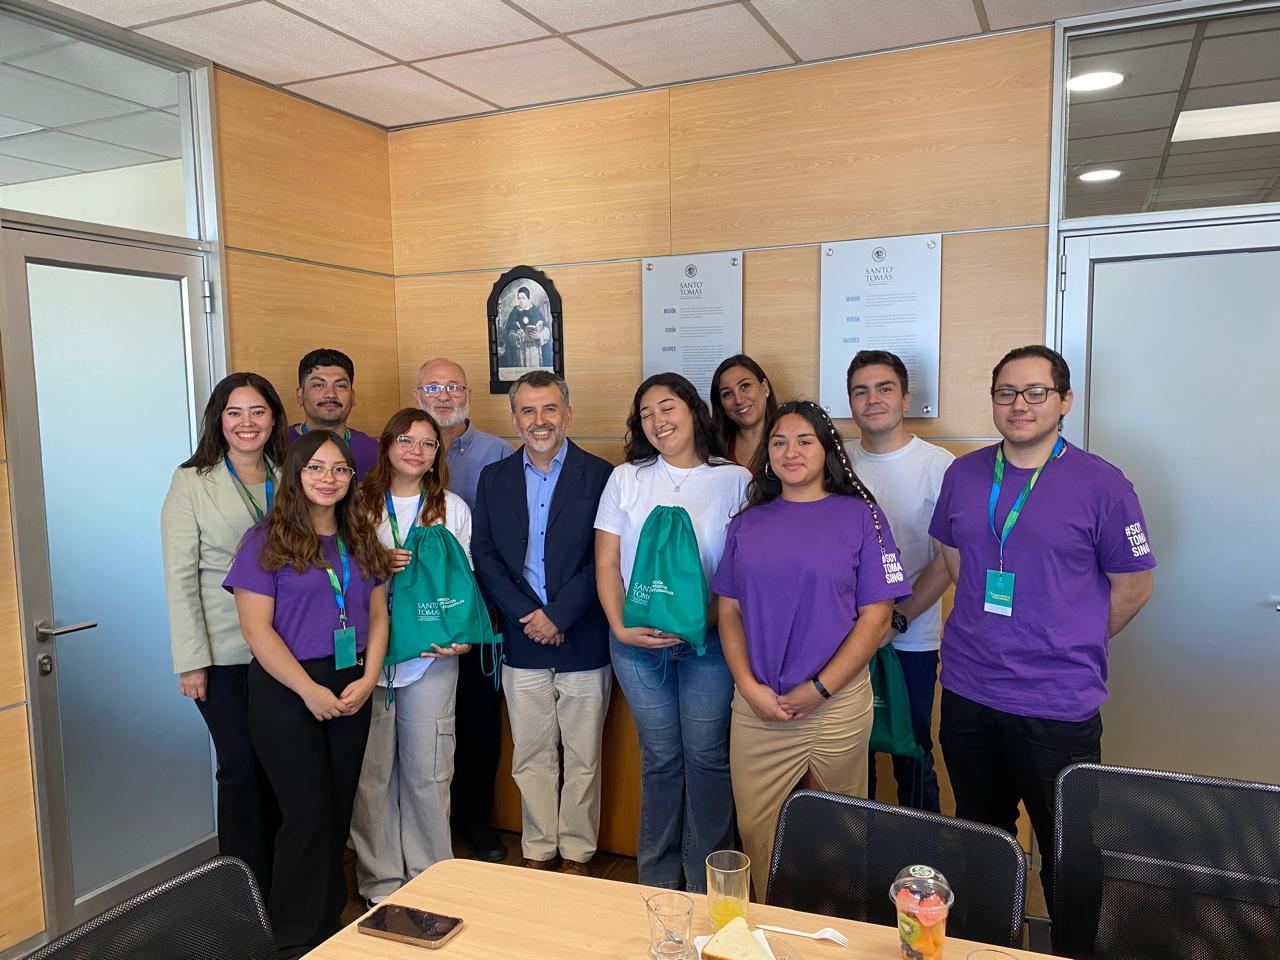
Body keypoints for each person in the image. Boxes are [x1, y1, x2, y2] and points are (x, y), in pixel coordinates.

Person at [929, 344, 1155, 909]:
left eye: (1036, 392)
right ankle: (986, 943)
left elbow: (1134, 586)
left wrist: (1069, 637)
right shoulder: (964, 473)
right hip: (968, 691)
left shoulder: (1103, 485)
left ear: (1064, 401)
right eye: (1006, 393)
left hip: (1057, 702)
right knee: (979, 838)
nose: (1020, 405)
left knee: (1070, 849)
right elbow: (956, 558)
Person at [714, 400, 908, 897]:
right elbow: (729, 611)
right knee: (759, 835)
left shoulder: (862, 517)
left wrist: (819, 689)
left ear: (827, 450)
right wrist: (748, 687)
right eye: (778, 442)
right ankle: (766, 936)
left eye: (804, 441)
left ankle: (837, 933)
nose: (790, 451)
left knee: (842, 834)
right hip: (759, 706)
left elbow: (877, 616)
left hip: (835, 706)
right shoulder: (747, 524)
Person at [224, 429, 392, 957]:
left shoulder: (362, 536)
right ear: (296, 474)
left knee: (338, 808)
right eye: (316, 468)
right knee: (304, 813)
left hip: (352, 680)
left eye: (340, 469)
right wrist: (309, 690)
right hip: (286, 687)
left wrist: (368, 678)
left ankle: (328, 922)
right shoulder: (265, 541)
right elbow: (258, 632)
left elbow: (378, 614)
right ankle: (292, 936)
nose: (329, 478)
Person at [594, 372, 750, 891]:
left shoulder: (734, 480)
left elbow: (737, 572)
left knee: (708, 757)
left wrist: (698, 625)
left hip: (707, 646)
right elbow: (607, 561)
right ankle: (657, 880)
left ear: (692, 409)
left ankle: (709, 880)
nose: (658, 421)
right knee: (660, 759)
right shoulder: (627, 478)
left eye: (667, 407)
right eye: (646, 415)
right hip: (636, 647)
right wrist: (620, 627)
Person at [471, 372, 613, 876]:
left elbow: (605, 557)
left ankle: (576, 852)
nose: (539, 421)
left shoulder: (601, 475)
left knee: (583, 756)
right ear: (514, 419)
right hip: (521, 636)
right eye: (528, 411)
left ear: (567, 414)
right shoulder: (494, 479)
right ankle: (537, 848)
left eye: (549, 409)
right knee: (530, 753)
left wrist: (559, 615)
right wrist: (528, 616)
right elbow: (483, 555)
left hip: (583, 635)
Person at [161, 372, 286, 896]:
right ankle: (239, 896)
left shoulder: (291, 472)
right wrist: (191, 661)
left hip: (287, 650)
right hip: (223, 653)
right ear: (219, 419)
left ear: (274, 417)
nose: (246, 423)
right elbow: (179, 574)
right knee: (239, 767)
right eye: (235, 413)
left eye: (257, 411)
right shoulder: (193, 480)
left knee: (281, 768)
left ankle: (282, 886)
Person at [350, 408, 473, 907]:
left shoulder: (452, 508)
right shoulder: (358, 503)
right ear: (387, 444)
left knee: (429, 771)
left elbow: (463, 583)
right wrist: (376, 563)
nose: (416, 450)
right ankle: (380, 884)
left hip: (431, 657)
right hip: (368, 658)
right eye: (406, 439)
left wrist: (462, 636)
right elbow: (332, 572)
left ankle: (431, 879)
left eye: (428, 443)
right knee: (373, 776)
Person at [844, 350, 954, 812]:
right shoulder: (837, 461)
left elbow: (947, 562)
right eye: (860, 391)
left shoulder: (939, 465)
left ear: (906, 397)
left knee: (912, 754)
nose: (873, 400)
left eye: (884, 388)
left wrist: (897, 620)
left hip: (911, 639)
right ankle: (858, 867)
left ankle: (919, 870)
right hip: (843, 638)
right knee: (852, 756)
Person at [414, 356, 513, 861]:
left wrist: (492, 610)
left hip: (478, 615)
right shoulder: (403, 447)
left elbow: (504, 542)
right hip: (415, 619)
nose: (443, 395)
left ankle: (476, 824)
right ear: (417, 394)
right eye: (432, 386)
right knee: (425, 725)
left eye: (454, 386)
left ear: (469, 392)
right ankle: (428, 830)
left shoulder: (499, 453)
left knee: (477, 724)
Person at [287, 348, 379, 476]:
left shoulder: (372, 451)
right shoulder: (278, 446)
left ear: (352, 397)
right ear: (300, 395)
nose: (330, 394)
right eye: (318, 385)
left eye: (340, 386)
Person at [710, 354, 777, 467]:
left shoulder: (788, 442)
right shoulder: (713, 449)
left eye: (745, 386)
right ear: (721, 405)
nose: (739, 400)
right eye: (727, 394)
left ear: (765, 387)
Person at [503, 287, 548, 369]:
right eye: (519, 298)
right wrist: (516, 335)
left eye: (523, 298)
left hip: (534, 349)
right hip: (520, 350)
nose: (521, 300)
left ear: (529, 298)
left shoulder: (535, 311)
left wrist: (539, 336)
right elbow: (509, 332)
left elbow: (546, 330)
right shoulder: (515, 312)